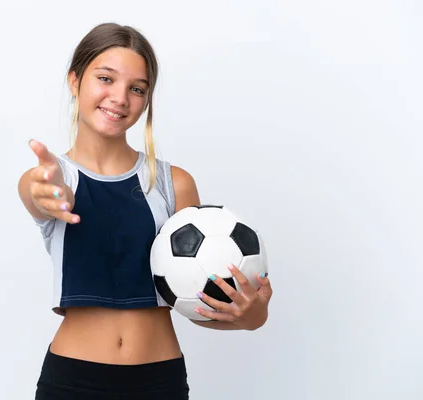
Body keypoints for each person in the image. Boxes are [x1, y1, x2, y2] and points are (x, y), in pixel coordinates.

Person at [18, 22, 273, 400]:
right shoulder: (53, 179)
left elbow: (194, 300)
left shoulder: (174, 184)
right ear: (75, 81)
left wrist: (251, 316)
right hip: (72, 382)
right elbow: (35, 193)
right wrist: (44, 194)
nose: (120, 97)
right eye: (105, 78)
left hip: (159, 382)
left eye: (137, 88)